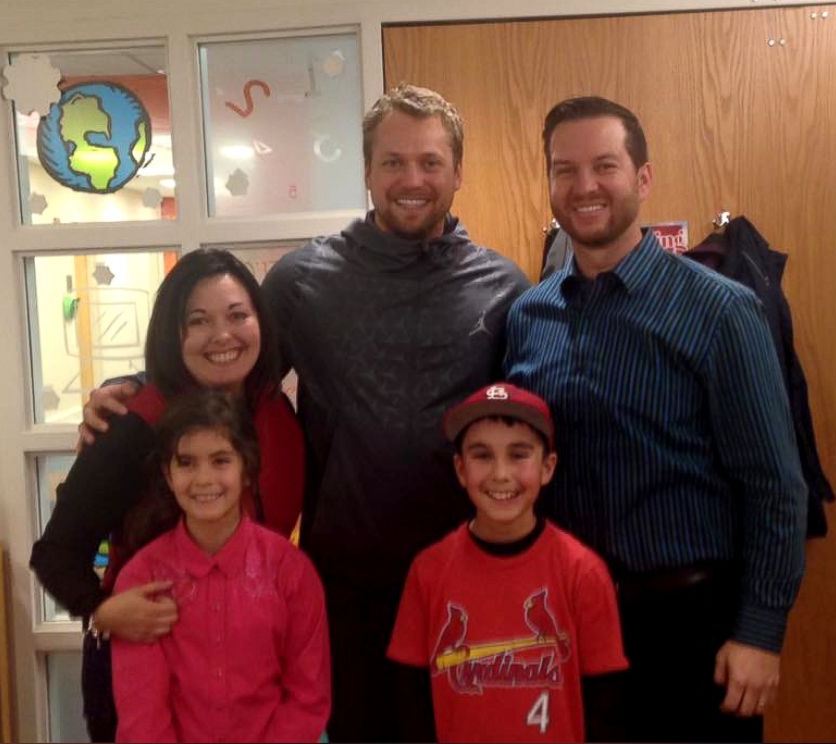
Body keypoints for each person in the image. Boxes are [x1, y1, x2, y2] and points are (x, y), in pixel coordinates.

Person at [78, 84, 531, 741]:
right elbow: (226, 364)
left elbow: (524, 424)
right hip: (343, 586)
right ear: (368, 172)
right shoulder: (304, 280)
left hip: (465, 580)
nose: (412, 179)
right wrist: (130, 384)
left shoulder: (504, 286)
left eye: (431, 162)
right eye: (393, 162)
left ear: (457, 171)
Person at [504, 96, 807, 742]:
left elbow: (775, 485)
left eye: (604, 166)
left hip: (691, 628)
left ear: (642, 179)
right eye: (564, 169)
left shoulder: (721, 310)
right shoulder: (527, 317)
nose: (584, 186)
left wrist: (759, 631)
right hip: (567, 626)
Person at [31, 249, 305, 742]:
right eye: (197, 321)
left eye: (238, 315)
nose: (222, 335)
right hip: (147, 671)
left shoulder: (276, 412)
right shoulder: (135, 424)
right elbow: (56, 552)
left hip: (246, 672)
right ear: (171, 336)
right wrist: (100, 609)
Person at [387, 382, 628, 743]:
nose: (501, 474)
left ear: (548, 467)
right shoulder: (429, 570)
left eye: (519, 455)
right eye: (482, 455)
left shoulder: (582, 571)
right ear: (460, 468)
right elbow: (409, 697)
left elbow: (606, 701)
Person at [112, 388, 329, 742]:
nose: (203, 480)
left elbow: (307, 697)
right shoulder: (142, 579)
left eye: (221, 460)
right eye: (186, 463)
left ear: (247, 470)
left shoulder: (291, 572)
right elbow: (143, 715)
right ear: (168, 475)